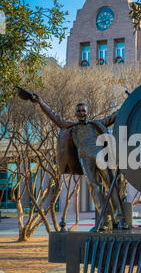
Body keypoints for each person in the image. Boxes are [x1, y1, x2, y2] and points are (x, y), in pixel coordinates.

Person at [27, 92, 126, 230]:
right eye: (78, 111)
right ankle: (105, 219)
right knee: (94, 187)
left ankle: (120, 218)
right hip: (85, 159)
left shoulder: (96, 124)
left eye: (83, 111)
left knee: (110, 185)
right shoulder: (70, 127)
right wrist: (40, 102)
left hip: (100, 157)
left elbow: (114, 116)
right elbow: (54, 116)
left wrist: (129, 100)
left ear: (87, 112)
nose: (81, 113)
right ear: (75, 114)